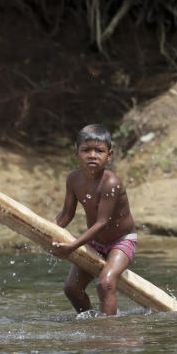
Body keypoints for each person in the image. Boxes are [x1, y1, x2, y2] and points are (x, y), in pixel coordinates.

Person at [49, 124, 137, 315]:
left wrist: (72, 246)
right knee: (71, 289)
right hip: (96, 242)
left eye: (99, 151)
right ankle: (90, 323)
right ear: (76, 153)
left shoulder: (110, 183)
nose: (92, 155)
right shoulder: (73, 179)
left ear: (109, 155)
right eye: (86, 150)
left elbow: (102, 222)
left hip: (121, 242)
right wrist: (49, 232)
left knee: (105, 283)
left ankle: (108, 331)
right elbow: (66, 214)